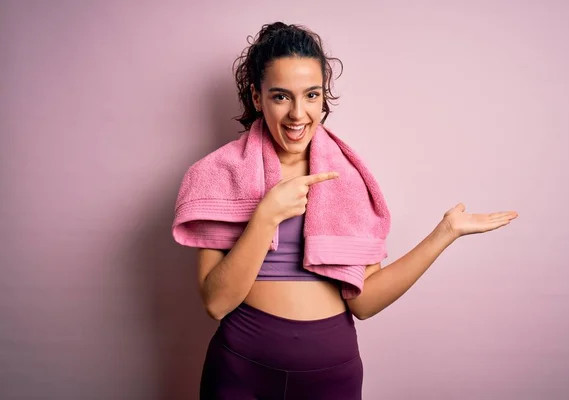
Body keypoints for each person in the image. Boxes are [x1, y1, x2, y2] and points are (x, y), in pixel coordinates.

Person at [173, 21, 519, 400]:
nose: (298, 113)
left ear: (324, 98)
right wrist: (266, 215)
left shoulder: (350, 182)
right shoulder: (218, 175)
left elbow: (365, 302)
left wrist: (445, 233)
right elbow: (216, 302)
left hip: (331, 378)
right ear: (258, 97)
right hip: (240, 372)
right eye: (281, 96)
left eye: (311, 95)